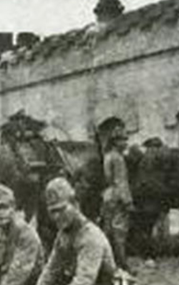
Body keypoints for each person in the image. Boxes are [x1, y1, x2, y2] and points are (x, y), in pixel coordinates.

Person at [37, 177, 122, 285]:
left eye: (61, 209)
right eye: (52, 211)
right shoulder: (64, 234)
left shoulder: (90, 236)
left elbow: (84, 281)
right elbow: (51, 270)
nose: (56, 216)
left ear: (75, 205)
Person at [0, 184, 44, 285]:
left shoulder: (26, 234)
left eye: (5, 207)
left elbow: (17, 276)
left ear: (13, 208)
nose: (0, 213)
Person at [96, 118, 133, 273]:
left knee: (107, 231)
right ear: (115, 141)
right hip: (117, 197)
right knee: (119, 233)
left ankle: (103, 263)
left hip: (108, 196)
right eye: (122, 140)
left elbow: (109, 179)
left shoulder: (107, 155)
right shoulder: (118, 158)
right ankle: (122, 265)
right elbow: (121, 181)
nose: (125, 143)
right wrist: (128, 201)